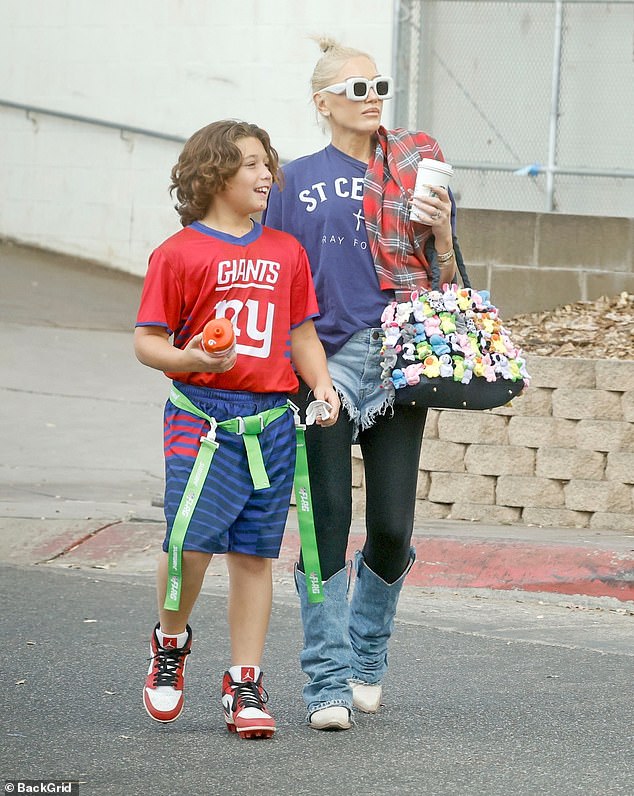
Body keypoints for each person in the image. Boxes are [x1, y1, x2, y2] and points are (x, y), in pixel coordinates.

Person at [262, 37, 457, 731]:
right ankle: (328, 680)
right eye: (357, 89)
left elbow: (447, 288)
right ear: (322, 103)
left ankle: (367, 650)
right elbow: (273, 280)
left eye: (378, 86)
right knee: (326, 526)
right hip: (316, 368)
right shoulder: (290, 181)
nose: (372, 98)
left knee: (393, 527)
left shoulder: (415, 172)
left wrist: (440, 237)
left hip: (396, 360)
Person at [135, 119, 340, 739]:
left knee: (255, 555)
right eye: (250, 164)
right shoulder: (178, 253)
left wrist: (323, 387)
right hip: (202, 419)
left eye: (267, 164)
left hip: (271, 420)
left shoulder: (286, 252)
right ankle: (171, 643)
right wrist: (192, 359)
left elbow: (300, 332)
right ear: (214, 173)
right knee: (189, 544)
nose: (266, 176)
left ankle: (244, 682)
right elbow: (149, 343)